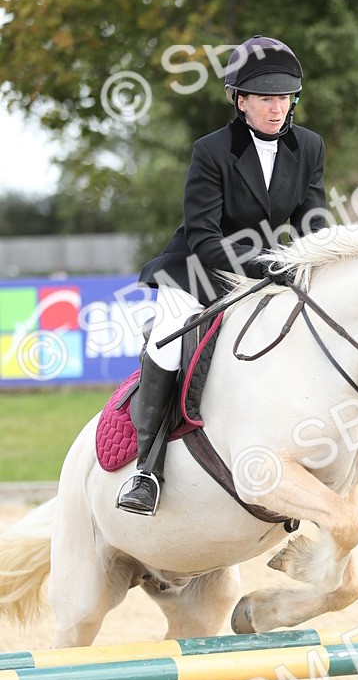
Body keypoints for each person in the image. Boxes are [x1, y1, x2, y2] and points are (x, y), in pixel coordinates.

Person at [117, 35, 327, 515]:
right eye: (267, 99)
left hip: (270, 268)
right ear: (241, 100)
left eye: (285, 98)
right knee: (169, 338)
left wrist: (309, 262)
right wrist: (263, 267)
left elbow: (314, 223)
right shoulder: (212, 151)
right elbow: (205, 236)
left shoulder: (309, 146)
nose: (278, 109)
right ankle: (146, 470)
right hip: (198, 268)